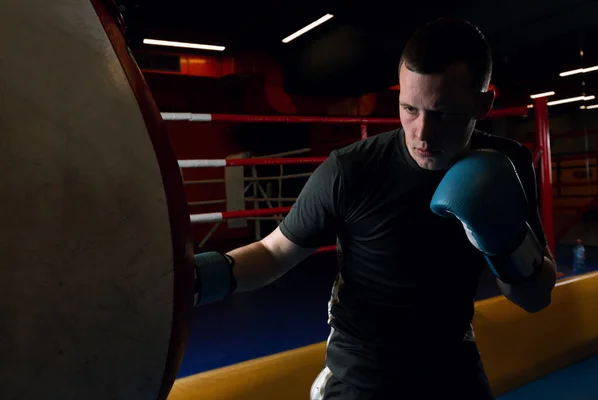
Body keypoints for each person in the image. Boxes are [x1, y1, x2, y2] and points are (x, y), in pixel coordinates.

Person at [192, 18, 558, 399]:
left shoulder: (505, 163)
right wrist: (199, 279)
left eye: (444, 113)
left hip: (451, 359)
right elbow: (273, 251)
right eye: (409, 109)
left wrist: (506, 243)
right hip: (363, 369)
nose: (422, 133)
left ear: (483, 105)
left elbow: (534, 298)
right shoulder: (352, 170)